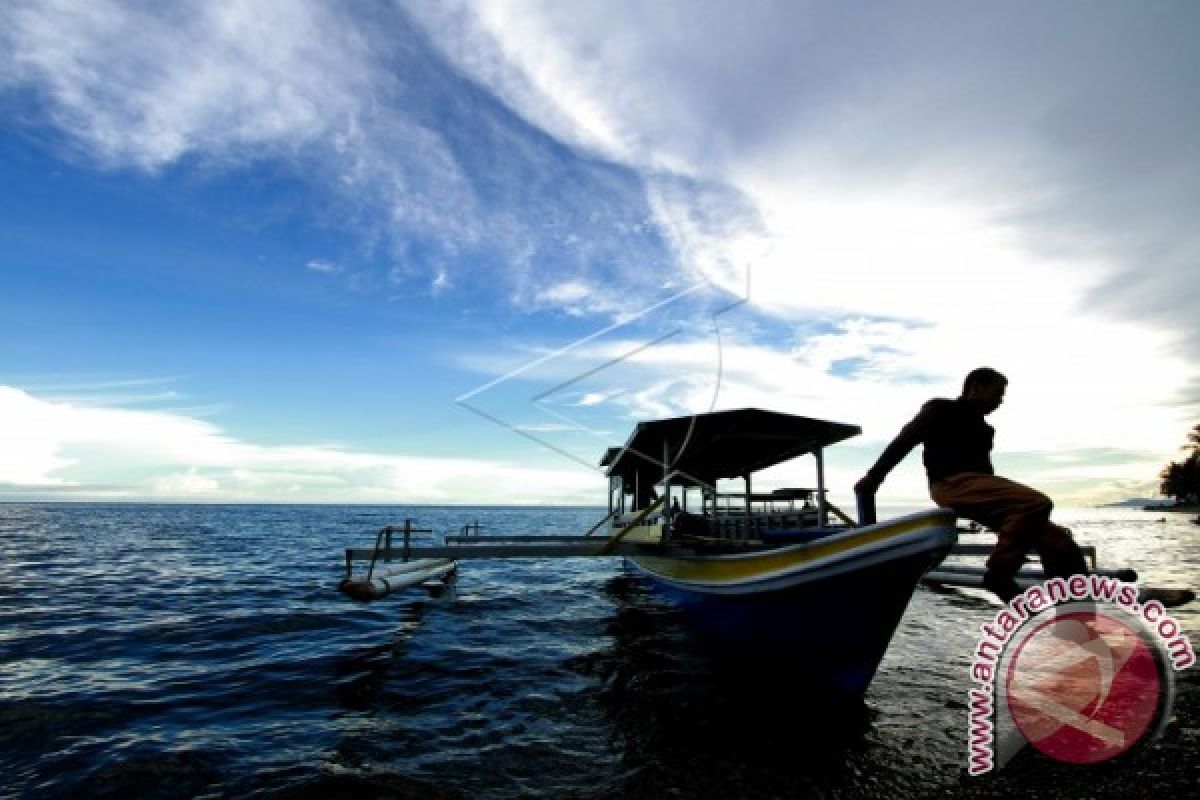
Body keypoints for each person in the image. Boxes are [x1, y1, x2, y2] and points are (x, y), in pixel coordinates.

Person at [854, 367, 1088, 603]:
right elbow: (904, 440)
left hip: (978, 487)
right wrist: (875, 477)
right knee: (1037, 503)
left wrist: (1006, 519)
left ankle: (1077, 617)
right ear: (975, 387)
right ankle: (999, 575)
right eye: (997, 394)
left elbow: (987, 476)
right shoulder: (940, 409)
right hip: (950, 484)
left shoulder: (986, 430)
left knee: (1060, 542)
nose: (1000, 401)